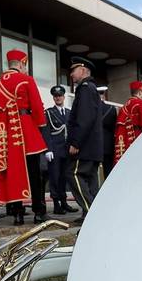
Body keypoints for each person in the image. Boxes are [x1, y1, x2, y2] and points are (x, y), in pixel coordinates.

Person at [0, 49, 49, 225]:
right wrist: (40, 126)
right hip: (26, 130)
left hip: (6, 134)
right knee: (35, 174)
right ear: (21, 64)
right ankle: (38, 212)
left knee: (13, 173)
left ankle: (17, 214)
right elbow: (36, 107)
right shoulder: (27, 79)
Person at [65, 56, 103, 224]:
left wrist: (75, 142)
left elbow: (84, 119)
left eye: (73, 71)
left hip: (85, 147)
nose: (71, 75)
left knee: (73, 173)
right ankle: (93, 213)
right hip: (93, 147)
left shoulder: (86, 88)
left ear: (83, 70)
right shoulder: (91, 88)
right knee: (90, 179)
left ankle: (90, 211)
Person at [43, 85, 77, 215]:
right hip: (55, 150)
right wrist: (48, 150)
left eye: (60, 96)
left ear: (64, 97)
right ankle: (56, 203)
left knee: (64, 177)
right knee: (55, 177)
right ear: (53, 98)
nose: (58, 98)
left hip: (67, 150)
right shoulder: (49, 113)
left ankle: (64, 202)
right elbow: (46, 132)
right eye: (56, 96)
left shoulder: (69, 112)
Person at [114, 80, 142, 165]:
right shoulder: (141, 103)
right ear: (140, 91)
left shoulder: (125, 105)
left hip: (125, 142)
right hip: (137, 140)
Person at [98, 86, 117, 181]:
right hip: (108, 145)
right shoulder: (111, 109)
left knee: (93, 172)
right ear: (104, 96)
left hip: (95, 145)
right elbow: (114, 128)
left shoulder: (91, 109)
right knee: (108, 170)